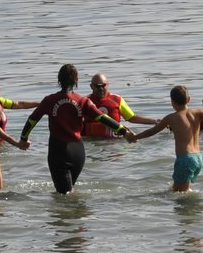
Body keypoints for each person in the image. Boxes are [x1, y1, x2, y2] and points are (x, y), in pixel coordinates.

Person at [18, 64, 137, 193]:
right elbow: (102, 117)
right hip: (78, 153)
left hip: (58, 152)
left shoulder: (49, 100)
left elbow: (32, 120)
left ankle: (75, 212)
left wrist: (23, 139)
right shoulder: (83, 101)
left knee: (64, 195)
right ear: (76, 80)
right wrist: (124, 132)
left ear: (59, 80)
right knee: (68, 191)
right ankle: (80, 212)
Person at [84, 73, 158, 139]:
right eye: (97, 86)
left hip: (114, 142)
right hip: (91, 140)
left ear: (108, 84)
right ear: (91, 86)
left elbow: (132, 118)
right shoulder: (84, 102)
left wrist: (156, 122)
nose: (101, 89)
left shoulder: (117, 99)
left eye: (103, 86)